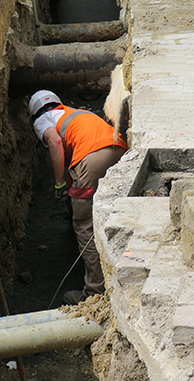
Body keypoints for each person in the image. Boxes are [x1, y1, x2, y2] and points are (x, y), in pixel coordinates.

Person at [28, 90, 128, 305]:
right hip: (120, 151)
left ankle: (94, 292)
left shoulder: (42, 119)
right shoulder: (76, 112)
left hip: (91, 160)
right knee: (118, 213)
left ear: (34, 113)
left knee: (84, 226)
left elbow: (55, 142)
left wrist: (59, 183)